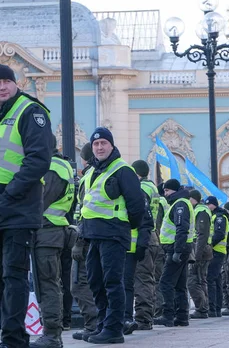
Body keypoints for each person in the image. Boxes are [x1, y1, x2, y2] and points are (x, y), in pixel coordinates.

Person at [0, 64, 53, 348]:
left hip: (18, 207)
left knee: (14, 275)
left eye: (6, 81)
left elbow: (39, 159)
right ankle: (14, 334)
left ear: (15, 84)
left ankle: (12, 339)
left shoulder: (29, 111)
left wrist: (10, 193)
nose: (2, 87)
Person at [81, 127, 145, 344]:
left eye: (103, 143)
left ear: (111, 145)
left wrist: (126, 226)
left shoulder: (122, 170)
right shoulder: (92, 171)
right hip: (93, 234)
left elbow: (137, 206)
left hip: (113, 234)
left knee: (112, 282)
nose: (99, 147)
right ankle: (102, 325)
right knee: (96, 282)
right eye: (96, 144)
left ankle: (114, 329)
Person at [30, 135, 76, 348]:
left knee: (47, 284)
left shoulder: (53, 166)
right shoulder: (62, 165)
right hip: (53, 231)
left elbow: (39, 200)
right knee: (51, 283)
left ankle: (51, 334)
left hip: (47, 231)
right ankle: (51, 332)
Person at [154, 179, 193, 327]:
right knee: (180, 284)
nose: (165, 194)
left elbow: (181, 228)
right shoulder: (181, 203)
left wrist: (177, 250)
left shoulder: (180, 205)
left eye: (167, 191)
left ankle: (168, 315)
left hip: (176, 249)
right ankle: (182, 316)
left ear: (174, 191)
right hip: (181, 248)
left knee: (165, 282)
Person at [125, 160, 158, 333]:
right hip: (152, 236)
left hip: (143, 237)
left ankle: (143, 318)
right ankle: (146, 316)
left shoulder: (141, 189)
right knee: (147, 279)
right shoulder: (153, 187)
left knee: (141, 280)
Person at [71, 143, 98, 341]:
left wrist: (79, 241)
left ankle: (92, 325)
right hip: (100, 237)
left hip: (86, 237)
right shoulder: (101, 173)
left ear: (84, 159)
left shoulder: (87, 178)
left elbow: (84, 213)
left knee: (79, 285)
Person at [188, 190, 212, 319]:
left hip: (200, 250)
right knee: (200, 280)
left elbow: (202, 234)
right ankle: (203, 308)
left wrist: (196, 254)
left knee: (193, 280)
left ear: (193, 199)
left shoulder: (201, 211)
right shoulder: (202, 210)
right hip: (203, 249)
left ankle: (201, 308)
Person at [205, 197, 227, 317]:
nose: (207, 207)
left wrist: (209, 244)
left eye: (208, 205)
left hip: (216, 251)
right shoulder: (217, 216)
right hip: (217, 251)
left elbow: (219, 234)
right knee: (217, 279)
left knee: (211, 279)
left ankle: (213, 308)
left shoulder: (219, 217)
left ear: (213, 205)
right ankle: (216, 308)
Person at [154, 183, 170, 318]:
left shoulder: (159, 202)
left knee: (156, 280)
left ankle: (159, 311)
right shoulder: (166, 203)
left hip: (158, 245)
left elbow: (157, 224)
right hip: (164, 245)